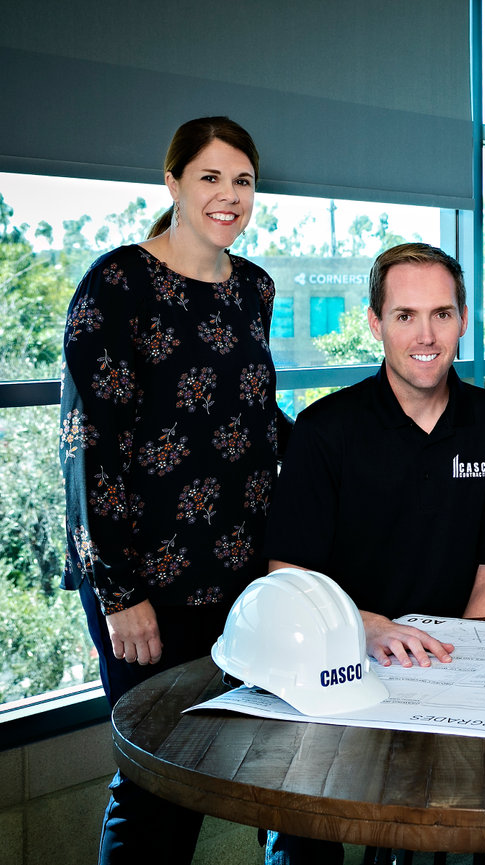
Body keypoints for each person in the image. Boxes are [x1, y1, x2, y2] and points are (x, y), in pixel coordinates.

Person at [60, 116, 289, 864]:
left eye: (243, 181)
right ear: (172, 183)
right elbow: (88, 446)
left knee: (252, 762)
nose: (229, 195)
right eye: (209, 177)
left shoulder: (253, 287)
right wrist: (119, 592)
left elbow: (256, 417)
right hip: (146, 580)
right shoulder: (117, 284)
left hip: (242, 572)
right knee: (157, 784)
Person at [262, 242, 485, 863]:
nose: (425, 335)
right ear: (375, 323)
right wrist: (369, 628)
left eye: (442, 314)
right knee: (308, 837)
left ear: (463, 321)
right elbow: (289, 578)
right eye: (405, 315)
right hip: (340, 668)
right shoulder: (325, 431)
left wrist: (458, 665)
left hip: (450, 669)